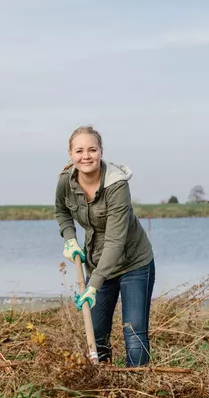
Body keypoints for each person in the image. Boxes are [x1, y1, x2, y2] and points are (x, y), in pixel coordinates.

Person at [54, 125, 155, 367]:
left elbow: (115, 240)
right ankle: (103, 384)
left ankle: (138, 389)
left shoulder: (117, 185)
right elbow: (62, 211)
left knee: (134, 332)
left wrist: (93, 285)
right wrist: (69, 238)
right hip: (96, 261)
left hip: (134, 263)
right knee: (96, 335)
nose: (85, 156)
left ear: (101, 151)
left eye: (92, 149)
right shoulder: (66, 182)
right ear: (70, 154)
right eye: (79, 150)